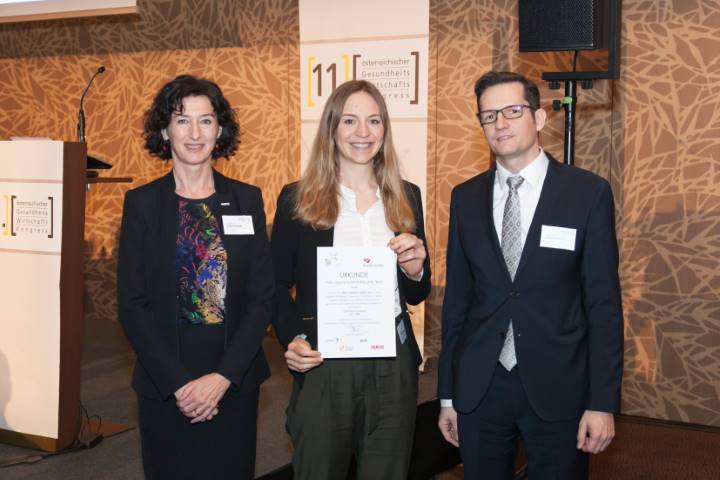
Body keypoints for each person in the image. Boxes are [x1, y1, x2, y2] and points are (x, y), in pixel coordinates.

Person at [437, 71, 623, 479]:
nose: (500, 123)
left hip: (560, 386)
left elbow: (603, 304)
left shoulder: (587, 193)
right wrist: (448, 396)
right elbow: (458, 304)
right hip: (482, 387)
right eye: (488, 116)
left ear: (538, 118)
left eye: (512, 111)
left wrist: (602, 401)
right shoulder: (465, 198)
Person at [271, 80, 431, 480]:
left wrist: (416, 269)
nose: (363, 133)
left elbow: (416, 290)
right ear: (332, 128)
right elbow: (274, 287)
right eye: (350, 121)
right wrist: (293, 338)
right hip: (325, 362)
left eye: (374, 121)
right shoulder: (297, 199)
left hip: (392, 363)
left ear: (385, 129)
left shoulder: (406, 196)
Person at [117, 75, 273, 479]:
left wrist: (222, 378)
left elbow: (261, 296)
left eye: (206, 121)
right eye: (182, 120)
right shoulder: (142, 204)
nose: (194, 133)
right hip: (166, 380)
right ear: (165, 131)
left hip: (232, 378)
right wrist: (180, 385)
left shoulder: (246, 199)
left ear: (219, 131)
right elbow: (132, 304)